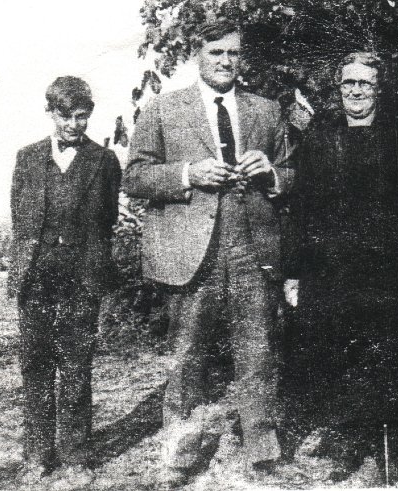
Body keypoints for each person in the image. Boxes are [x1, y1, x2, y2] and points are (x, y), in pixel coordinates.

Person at [124, 18, 293, 479]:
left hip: (251, 247)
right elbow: (134, 176)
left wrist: (272, 172)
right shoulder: (163, 109)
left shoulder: (266, 109)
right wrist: (186, 174)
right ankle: (179, 452)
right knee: (187, 355)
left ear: (242, 58)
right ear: (197, 55)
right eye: (216, 52)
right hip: (192, 249)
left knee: (258, 351)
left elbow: (292, 173)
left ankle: (262, 448)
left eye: (233, 53)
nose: (225, 61)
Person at [283, 52, 398, 481]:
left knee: (387, 354)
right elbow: (301, 209)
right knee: (337, 352)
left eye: (365, 84)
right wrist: (293, 271)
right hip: (332, 269)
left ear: (378, 89)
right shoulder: (318, 139)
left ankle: (383, 448)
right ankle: (347, 444)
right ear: (338, 89)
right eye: (348, 83)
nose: (355, 91)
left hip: (390, 269)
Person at [8, 76, 121, 488]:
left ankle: (75, 455)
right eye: (67, 116)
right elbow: (20, 219)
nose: (76, 124)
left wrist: (93, 271)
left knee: (76, 366)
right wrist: (23, 268)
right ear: (50, 112)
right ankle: (37, 454)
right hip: (35, 279)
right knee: (35, 366)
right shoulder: (27, 157)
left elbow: (106, 222)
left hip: (80, 280)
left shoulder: (104, 161)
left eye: (83, 116)